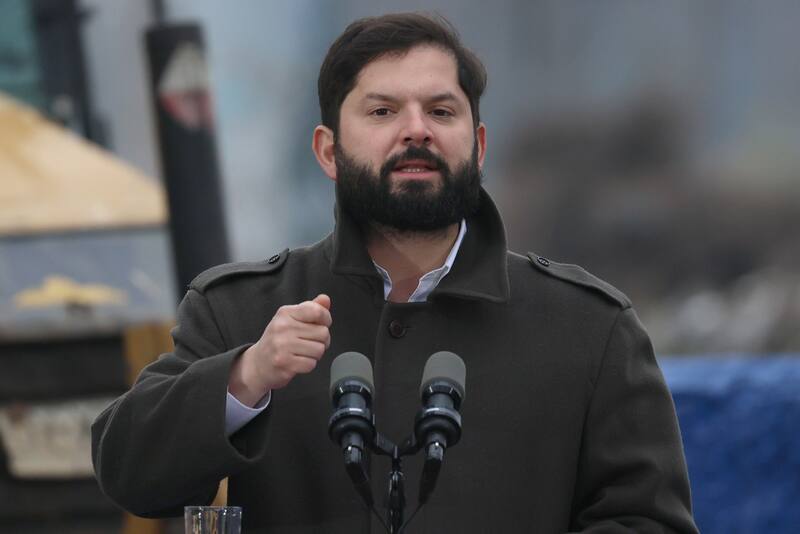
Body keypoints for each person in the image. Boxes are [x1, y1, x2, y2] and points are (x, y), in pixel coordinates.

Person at [92, 12, 699, 533]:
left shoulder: (588, 330)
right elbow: (129, 474)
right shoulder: (241, 312)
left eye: (441, 110)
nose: (416, 129)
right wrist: (246, 377)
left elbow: (648, 521)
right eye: (382, 110)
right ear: (328, 151)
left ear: (478, 146)